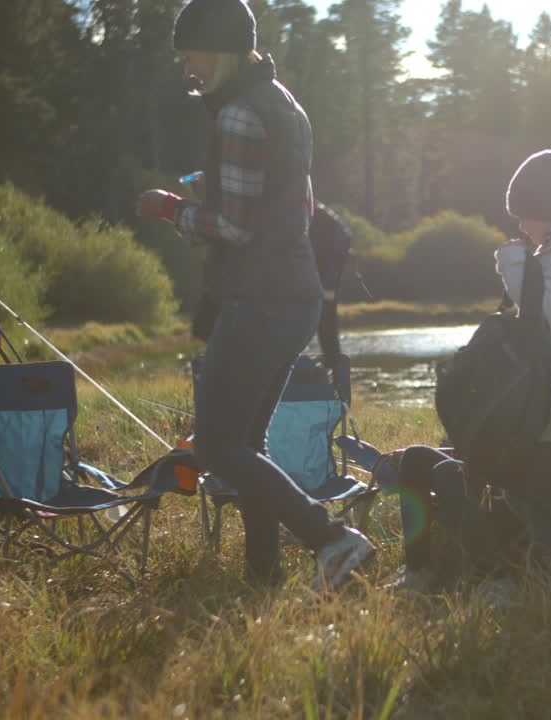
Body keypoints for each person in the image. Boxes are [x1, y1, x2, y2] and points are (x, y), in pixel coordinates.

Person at [136, 0, 374, 589]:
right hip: (296, 297)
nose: (186, 65)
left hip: (259, 298)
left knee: (217, 444)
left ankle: (332, 539)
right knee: (247, 441)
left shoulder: (240, 115)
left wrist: (172, 210)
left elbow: (235, 228)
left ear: (215, 47)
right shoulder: (284, 104)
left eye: (190, 51)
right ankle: (261, 576)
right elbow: (298, 206)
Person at [390, 150, 551, 588]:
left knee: (536, 504)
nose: (519, 225)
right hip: (546, 401)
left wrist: (513, 262)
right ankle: (508, 574)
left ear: (544, 210)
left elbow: (543, 316)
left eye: (523, 215)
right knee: (532, 502)